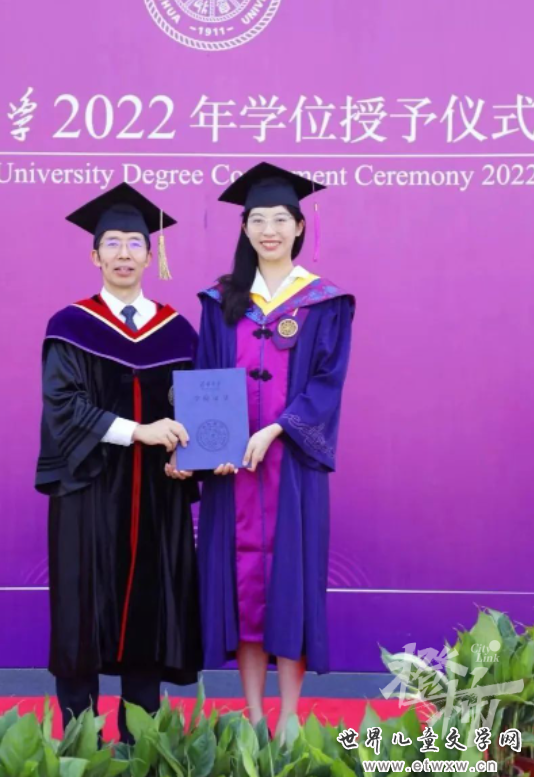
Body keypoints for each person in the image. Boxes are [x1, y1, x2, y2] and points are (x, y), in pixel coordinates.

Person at [35, 183, 202, 742]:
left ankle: (141, 745)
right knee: (81, 611)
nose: (124, 253)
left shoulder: (177, 331)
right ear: (95, 256)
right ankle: (80, 740)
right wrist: (139, 431)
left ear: (150, 256)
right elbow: (63, 406)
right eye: (112, 243)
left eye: (135, 243)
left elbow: (198, 410)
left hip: (156, 492)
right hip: (88, 489)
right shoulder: (70, 326)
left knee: (147, 612)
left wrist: (188, 455)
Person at [195, 162, 355, 738]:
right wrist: (209, 444)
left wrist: (278, 428)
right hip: (233, 470)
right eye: (258, 219)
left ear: (299, 227)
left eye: (280, 219)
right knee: (243, 591)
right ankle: (254, 713)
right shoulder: (220, 301)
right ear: (244, 228)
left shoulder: (324, 302)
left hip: (293, 469)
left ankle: (288, 714)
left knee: (292, 585)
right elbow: (206, 378)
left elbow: (327, 383)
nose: (270, 230)